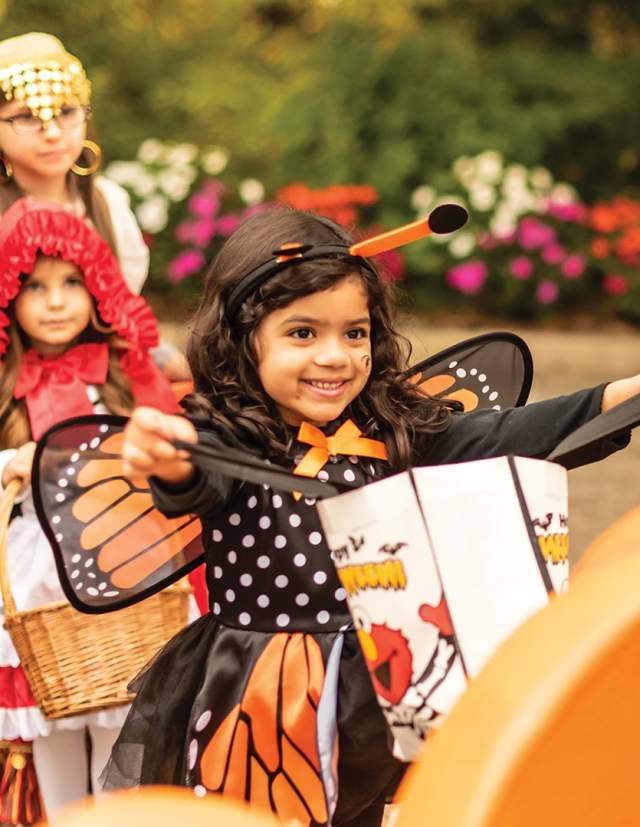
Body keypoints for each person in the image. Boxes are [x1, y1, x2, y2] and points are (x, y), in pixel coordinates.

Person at [105, 208, 638, 827]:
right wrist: (168, 459)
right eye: (302, 334)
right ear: (242, 337)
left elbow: (520, 433)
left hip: (377, 685)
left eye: (354, 334)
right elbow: (194, 477)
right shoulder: (225, 435)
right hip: (266, 697)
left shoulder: (392, 430)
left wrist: (623, 396)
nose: (335, 358)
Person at [0, 198, 179, 819]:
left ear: (98, 286)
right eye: (35, 286)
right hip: (36, 575)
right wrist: (11, 464)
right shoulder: (5, 384)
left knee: (117, 715)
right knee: (52, 725)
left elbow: (170, 453)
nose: (55, 302)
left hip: (119, 558)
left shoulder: (121, 374)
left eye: (71, 283)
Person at [0, 31, 189, 381]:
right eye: (27, 117)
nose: (53, 132)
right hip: (11, 373)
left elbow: (123, 311)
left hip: (102, 360)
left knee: (183, 374)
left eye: (66, 112)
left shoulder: (107, 201)